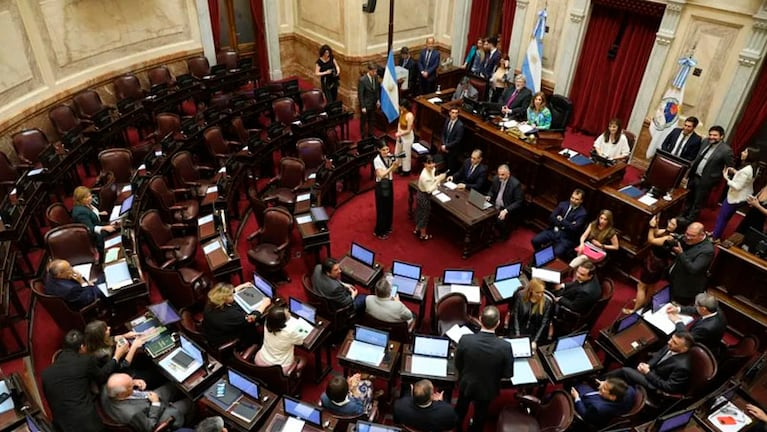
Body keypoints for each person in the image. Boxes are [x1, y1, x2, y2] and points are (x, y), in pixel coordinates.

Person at [455, 306, 514, 432]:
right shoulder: (505, 346)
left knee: (460, 409)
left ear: (480, 319)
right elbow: (508, 374)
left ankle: (457, 427)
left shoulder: (466, 339)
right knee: (480, 416)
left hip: (467, 383)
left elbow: (458, 363)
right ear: (498, 323)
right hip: (488, 388)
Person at [42, 330, 110, 432]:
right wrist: (117, 357)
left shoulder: (45, 373)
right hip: (88, 425)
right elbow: (102, 376)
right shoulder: (85, 361)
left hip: (62, 427)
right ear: (82, 347)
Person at [624, 215, 684, 314]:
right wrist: (655, 224)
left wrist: (651, 227)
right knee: (651, 286)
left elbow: (651, 240)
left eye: (673, 224)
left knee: (641, 286)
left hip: (654, 264)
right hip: (658, 262)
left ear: (678, 227)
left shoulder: (669, 238)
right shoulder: (670, 233)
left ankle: (634, 311)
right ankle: (644, 305)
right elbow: (657, 232)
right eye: (670, 221)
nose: (669, 224)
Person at [607, 331, 693, 395]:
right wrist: (648, 365)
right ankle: (612, 388)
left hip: (654, 385)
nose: (669, 342)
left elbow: (668, 387)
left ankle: (598, 381)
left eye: (674, 342)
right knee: (631, 361)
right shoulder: (671, 346)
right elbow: (658, 356)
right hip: (650, 372)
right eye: (671, 339)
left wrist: (647, 372)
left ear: (684, 349)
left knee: (624, 371)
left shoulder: (683, 367)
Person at [101, 372, 192, 432]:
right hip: (154, 414)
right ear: (121, 394)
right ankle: (191, 418)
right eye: (130, 385)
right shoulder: (132, 414)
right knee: (190, 403)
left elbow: (122, 384)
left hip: (144, 400)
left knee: (174, 384)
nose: (133, 383)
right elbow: (150, 428)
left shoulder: (108, 386)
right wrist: (155, 403)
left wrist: (133, 382)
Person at [684, 125, 734, 221]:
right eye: (710, 134)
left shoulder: (726, 150)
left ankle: (690, 221)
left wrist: (717, 178)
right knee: (688, 198)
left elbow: (730, 167)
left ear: (722, 136)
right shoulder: (705, 141)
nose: (711, 137)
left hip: (706, 181)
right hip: (694, 176)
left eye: (715, 135)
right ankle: (683, 216)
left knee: (697, 203)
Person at [712, 147, 761, 240]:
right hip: (743, 197)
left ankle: (715, 238)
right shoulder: (755, 166)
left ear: (750, 155)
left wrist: (726, 177)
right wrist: (736, 172)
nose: (742, 153)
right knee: (726, 217)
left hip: (735, 197)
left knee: (722, 218)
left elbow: (737, 186)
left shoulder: (746, 170)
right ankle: (716, 234)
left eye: (745, 152)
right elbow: (746, 179)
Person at [202, 282, 271, 348]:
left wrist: (241, 286)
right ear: (224, 299)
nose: (233, 296)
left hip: (213, 331)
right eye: (231, 295)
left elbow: (223, 294)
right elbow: (251, 318)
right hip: (230, 339)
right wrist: (264, 304)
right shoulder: (232, 315)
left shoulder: (210, 303)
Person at [531, 189, 589, 258]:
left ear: (581, 201)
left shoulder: (582, 213)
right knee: (535, 240)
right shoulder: (563, 204)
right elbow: (551, 217)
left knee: (556, 253)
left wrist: (561, 219)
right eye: (572, 197)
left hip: (566, 237)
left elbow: (573, 228)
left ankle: (546, 260)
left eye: (576, 199)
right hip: (554, 230)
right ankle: (541, 256)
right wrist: (568, 223)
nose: (573, 200)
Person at [668, 222, 714, 305]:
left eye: (692, 236)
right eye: (687, 234)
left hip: (685, 289)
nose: (688, 237)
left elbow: (693, 269)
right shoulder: (687, 238)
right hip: (675, 280)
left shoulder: (707, 250)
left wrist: (681, 253)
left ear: (701, 235)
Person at [255, 306, 309, 372]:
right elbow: (300, 342)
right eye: (288, 314)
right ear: (281, 322)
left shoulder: (267, 322)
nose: (289, 314)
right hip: (280, 367)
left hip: (261, 358)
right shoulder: (289, 332)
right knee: (304, 359)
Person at [393, 379, 458, 432]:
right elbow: (450, 428)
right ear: (432, 397)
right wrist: (440, 402)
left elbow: (397, 423)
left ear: (412, 391)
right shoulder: (447, 411)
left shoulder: (399, 405)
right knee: (446, 388)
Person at [570, 378, 636, 429]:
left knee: (575, 385)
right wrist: (605, 384)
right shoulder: (630, 390)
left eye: (604, 388)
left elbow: (585, 415)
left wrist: (577, 398)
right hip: (601, 403)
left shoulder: (598, 408)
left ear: (612, 397)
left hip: (587, 406)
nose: (600, 387)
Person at [72, 185, 118, 254]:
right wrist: (105, 227)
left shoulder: (87, 204)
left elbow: (91, 214)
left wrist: (98, 213)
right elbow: (90, 229)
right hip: (95, 236)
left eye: (89, 195)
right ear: (80, 199)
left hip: (98, 225)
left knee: (117, 225)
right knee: (115, 229)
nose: (90, 198)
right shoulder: (80, 212)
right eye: (86, 197)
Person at [508, 278, 552, 350]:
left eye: (542, 292)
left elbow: (544, 324)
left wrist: (535, 341)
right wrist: (518, 336)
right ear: (531, 290)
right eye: (537, 292)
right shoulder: (520, 296)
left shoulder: (547, 303)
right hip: (518, 328)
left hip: (535, 332)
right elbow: (515, 317)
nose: (540, 295)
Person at [372, 141, 400, 239]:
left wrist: (396, 163)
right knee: (382, 209)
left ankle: (387, 227)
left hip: (389, 183)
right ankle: (379, 231)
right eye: (383, 150)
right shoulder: (377, 160)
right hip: (381, 185)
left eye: (387, 149)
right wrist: (392, 167)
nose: (386, 151)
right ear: (379, 150)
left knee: (389, 206)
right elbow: (381, 174)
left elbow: (395, 170)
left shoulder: (389, 157)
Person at [414, 156, 446, 240]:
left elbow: (432, 179)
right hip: (423, 196)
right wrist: (439, 180)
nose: (432, 165)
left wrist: (437, 178)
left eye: (433, 162)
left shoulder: (432, 169)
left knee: (420, 213)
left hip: (423, 194)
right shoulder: (424, 176)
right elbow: (429, 190)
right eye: (429, 163)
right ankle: (423, 235)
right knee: (424, 215)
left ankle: (417, 229)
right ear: (424, 164)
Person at [488, 164, 523, 239]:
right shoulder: (496, 179)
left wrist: (506, 210)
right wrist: (489, 195)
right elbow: (491, 190)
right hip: (494, 204)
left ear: (508, 174)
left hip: (506, 207)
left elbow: (519, 202)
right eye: (499, 174)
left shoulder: (515, 184)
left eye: (502, 175)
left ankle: (503, 235)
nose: (500, 176)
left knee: (500, 220)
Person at [358, 62, 380, 138]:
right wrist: (362, 106)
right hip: (366, 104)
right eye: (373, 71)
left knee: (372, 119)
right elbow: (360, 94)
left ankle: (371, 134)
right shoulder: (362, 80)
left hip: (373, 103)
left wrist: (377, 100)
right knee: (364, 120)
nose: (375, 73)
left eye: (376, 71)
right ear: (369, 71)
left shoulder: (376, 78)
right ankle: (363, 135)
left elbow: (377, 89)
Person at [440, 107, 465, 174]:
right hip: (444, 148)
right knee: (444, 165)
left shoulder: (460, 126)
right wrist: (443, 144)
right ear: (449, 113)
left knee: (450, 168)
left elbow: (457, 140)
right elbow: (443, 134)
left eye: (456, 113)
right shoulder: (447, 120)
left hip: (452, 151)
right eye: (453, 112)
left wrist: (446, 146)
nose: (454, 115)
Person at [395, 100, 415, 175]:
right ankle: (399, 166)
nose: (399, 108)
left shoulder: (410, 116)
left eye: (401, 106)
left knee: (405, 153)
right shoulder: (402, 112)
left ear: (405, 107)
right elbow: (400, 123)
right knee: (398, 151)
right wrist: (399, 132)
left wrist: (400, 134)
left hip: (407, 137)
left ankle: (406, 170)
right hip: (400, 135)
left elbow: (409, 130)